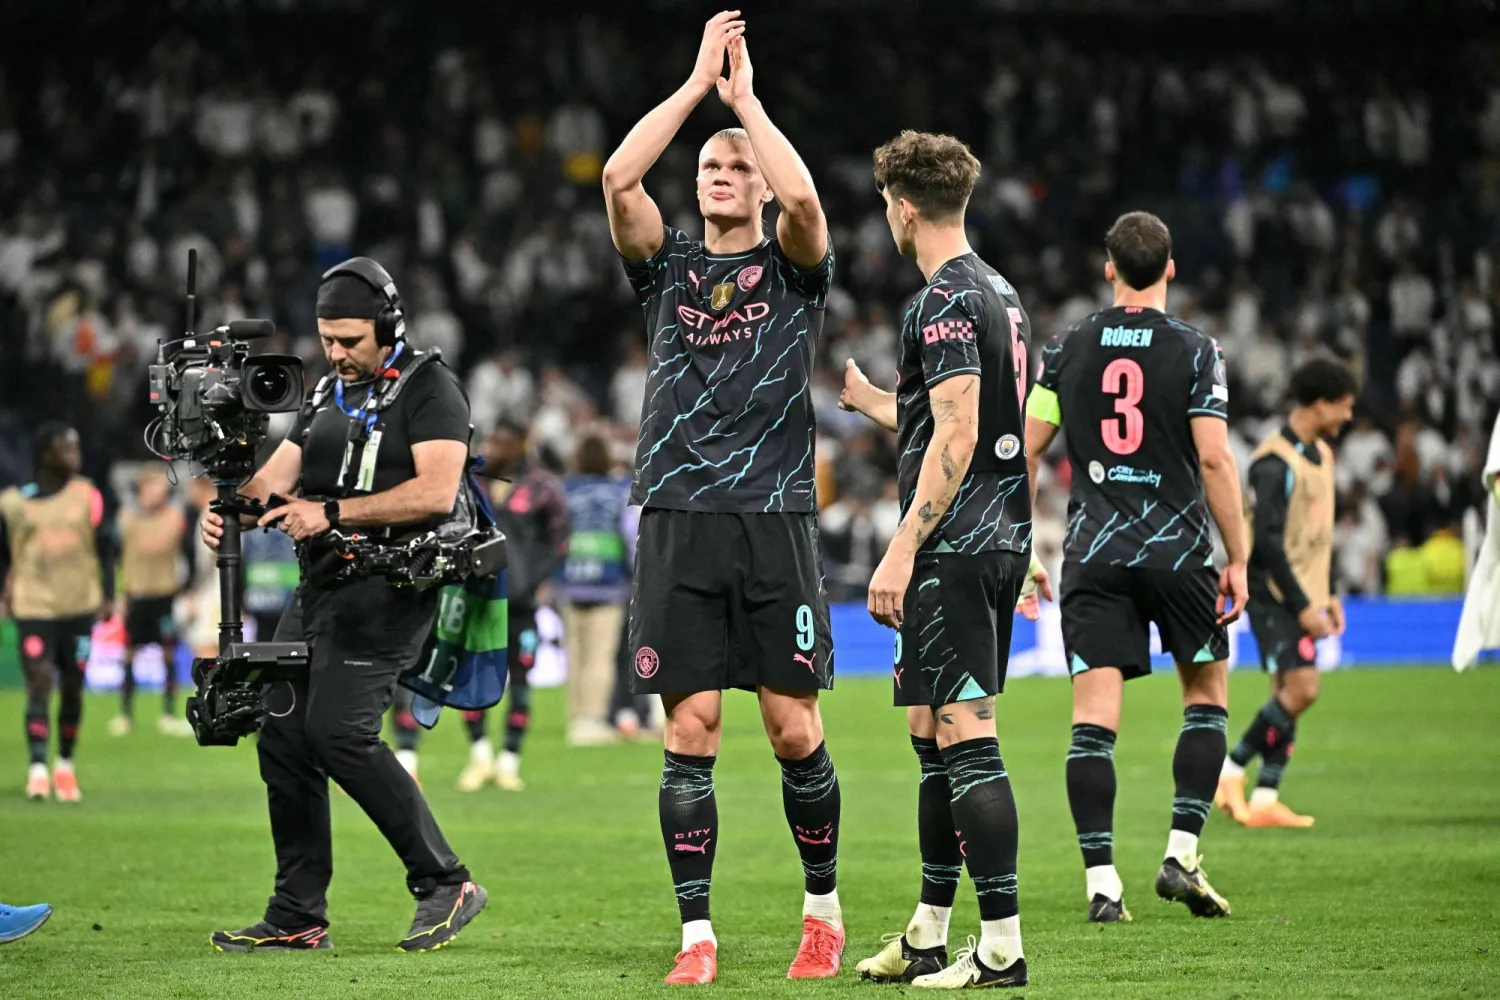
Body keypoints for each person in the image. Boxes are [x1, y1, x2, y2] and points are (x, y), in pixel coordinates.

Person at [602, 12, 843, 984]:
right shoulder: (666, 269)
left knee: (793, 728)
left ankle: (821, 912)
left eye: (737, 166)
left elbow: (807, 200)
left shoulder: (792, 270)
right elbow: (619, 179)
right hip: (677, 515)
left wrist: (748, 107)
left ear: (760, 184)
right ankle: (695, 934)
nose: (721, 173)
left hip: (773, 516)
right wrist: (698, 89)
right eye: (710, 164)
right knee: (689, 727)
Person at [200, 257, 486, 953]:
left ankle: (446, 881)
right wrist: (232, 508)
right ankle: (297, 913)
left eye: (350, 340)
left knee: (338, 732)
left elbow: (436, 493)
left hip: (392, 585)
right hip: (323, 585)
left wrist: (329, 513)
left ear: (389, 327)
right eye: (327, 339)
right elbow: (275, 482)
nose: (336, 352)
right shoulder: (329, 391)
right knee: (282, 733)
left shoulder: (431, 388)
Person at [839, 130, 1038, 990]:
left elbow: (957, 433)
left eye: (887, 204)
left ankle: (1000, 949)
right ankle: (927, 932)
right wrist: (877, 403)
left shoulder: (943, 299)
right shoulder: (1001, 292)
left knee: (964, 732)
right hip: (995, 534)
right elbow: (967, 420)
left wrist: (901, 546)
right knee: (929, 728)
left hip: (953, 546)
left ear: (904, 209)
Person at [1024, 211, 1249, 923]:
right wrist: (1239, 556)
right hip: (1178, 551)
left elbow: (1026, 450)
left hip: (1095, 552)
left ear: (1109, 267)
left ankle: (1102, 886)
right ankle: (1181, 853)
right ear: (1171, 269)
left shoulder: (1066, 349)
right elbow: (1214, 458)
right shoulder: (1198, 350)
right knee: (1206, 696)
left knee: (1092, 721)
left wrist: (1025, 546)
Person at [1217, 357, 1357, 827]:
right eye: (1344, 406)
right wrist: (1302, 606)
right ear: (1320, 405)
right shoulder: (1274, 462)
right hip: (1273, 592)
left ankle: (1265, 797)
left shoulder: (1323, 455)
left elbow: (1319, 535)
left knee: (1285, 690)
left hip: (1305, 592)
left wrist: (1329, 594)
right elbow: (1269, 543)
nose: (1348, 416)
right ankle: (1231, 769)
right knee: (1302, 688)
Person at [0, 423, 115, 803]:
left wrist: (109, 595)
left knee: (72, 687)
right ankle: (37, 769)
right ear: (45, 454)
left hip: (78, 605)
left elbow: (105, 548)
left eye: (75, 447)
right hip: (33, 605)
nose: (74, 455)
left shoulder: (88, 495)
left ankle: (64, 765)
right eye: (66, 448)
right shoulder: (12, 502)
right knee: (38, 683)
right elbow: (4, 554)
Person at [456, 421, 569, 792]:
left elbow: (559, 540)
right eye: (492, 441)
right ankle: (480, 755)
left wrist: (533, 582)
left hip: (521, 605)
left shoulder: (540, 487)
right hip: (479, 600)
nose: (494, 448)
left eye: (503, 442)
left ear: (521, 444)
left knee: (520, 684)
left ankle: (509, 761)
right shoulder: (473, 482)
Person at [558, 431, 633, 746]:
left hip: (570, 578)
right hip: (608, 582)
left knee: (575, 654)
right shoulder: (620, 491)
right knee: (600, 655)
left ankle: (576, 717)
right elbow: (631, 536)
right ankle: (592, 720)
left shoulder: (565, 491)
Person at [110, 466, 195, 738]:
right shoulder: (126, 519)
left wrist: (187, 590)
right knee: (128, 656)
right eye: (155, 485)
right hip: (135, 596)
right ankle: (125, 715)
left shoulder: (175, 517)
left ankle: (168, 714)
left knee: (168, 654)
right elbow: (114, 559)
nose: (161, 490)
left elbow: (189, 554)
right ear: (143, 488)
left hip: (165, 595)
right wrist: (117, 594)